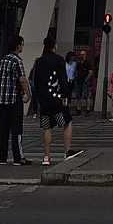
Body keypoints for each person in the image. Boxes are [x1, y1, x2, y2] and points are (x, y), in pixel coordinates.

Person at [31, 36, 83, 167]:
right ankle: (67, 151)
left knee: (47, 127)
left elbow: (35, 81)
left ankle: (46, 157)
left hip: (44, 100)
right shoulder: (59, 60)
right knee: (67, 122)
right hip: (57, 100)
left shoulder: (39, 61)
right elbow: (63, 80)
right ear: (54, 46)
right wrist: (66, 96)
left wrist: (38, 98)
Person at [0, 35, 31, 165]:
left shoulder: (4, 60)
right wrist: (28, 94)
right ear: (18, 46)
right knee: (16, 130)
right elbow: (22, 79)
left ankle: (3, 158)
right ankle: (18, 158)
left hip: (3, 100)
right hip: (14, 99)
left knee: (4, 130)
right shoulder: (17, 61)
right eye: (22, 44)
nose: (23, 47)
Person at [75, 49, 92, 115]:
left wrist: (86, 80)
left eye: (83, 54)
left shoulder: (88, 63)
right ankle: (78, 110)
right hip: (79, 81)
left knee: (86, 95)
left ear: (85, 55)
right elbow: (76, 71)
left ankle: (87, 110)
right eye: (81, 54)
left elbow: (90, 72)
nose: (82, 55)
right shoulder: (78, 63)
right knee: (78, 96)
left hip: (85, 81)